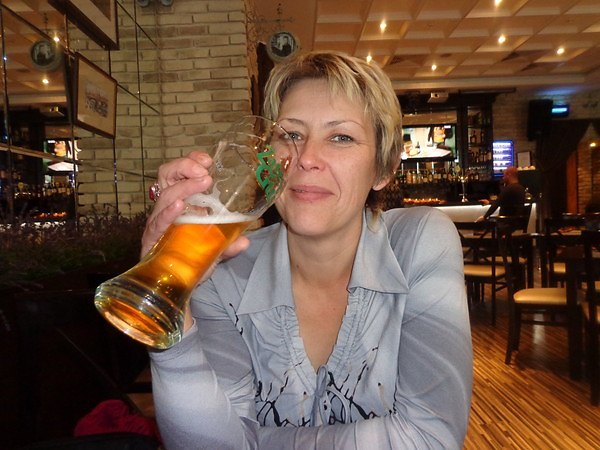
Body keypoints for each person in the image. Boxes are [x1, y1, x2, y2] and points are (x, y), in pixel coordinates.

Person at [143, 51, 472, 449]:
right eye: (291, 135)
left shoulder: (417, 242)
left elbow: (432, 438)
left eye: (341, 137)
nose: (307, 159)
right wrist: (170, 296)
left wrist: (255, 442)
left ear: (383, 169)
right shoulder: (223, 269)